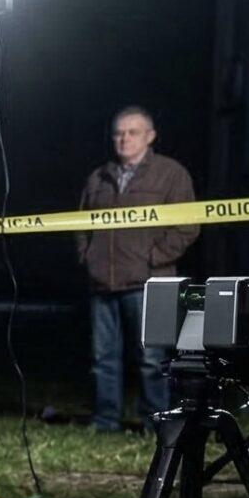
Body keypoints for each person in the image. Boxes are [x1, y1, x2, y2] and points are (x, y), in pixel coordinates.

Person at [77, 107, 197, 432]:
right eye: (119, 133)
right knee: (102, 358)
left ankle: (154, 422)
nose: (124, 139)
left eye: (133, 132)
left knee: (152, 359)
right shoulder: (98, 177)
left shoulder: (171, 174)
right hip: (103, 284)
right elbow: (80, 224)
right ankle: (105, 421)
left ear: (150, 136)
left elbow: (188, 225)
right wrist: (87, 256)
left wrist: (154, 258)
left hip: (150, 284)